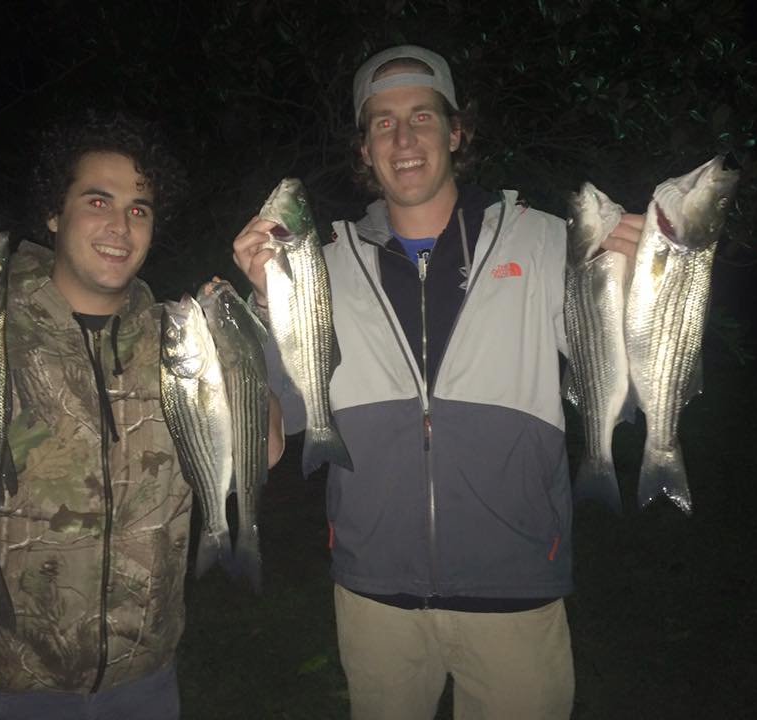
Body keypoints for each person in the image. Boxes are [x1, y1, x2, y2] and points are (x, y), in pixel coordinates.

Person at [233, 46, 642, 720]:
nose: (403, 138)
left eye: (422, 116)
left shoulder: (546, 242)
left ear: (457, 132)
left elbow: (621, 365)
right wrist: (257, 308)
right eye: (383, 123)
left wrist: (645, 281)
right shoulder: (320, 267)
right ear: (364, 149)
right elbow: (273, 435)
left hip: (515, 581)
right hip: (374, 592)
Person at [0, 110, 283, 719]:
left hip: (145, 682)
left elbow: (265, 449)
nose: (120, 226)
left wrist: (261, 319)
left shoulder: (179, 338)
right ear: (54, 213)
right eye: (98, 201)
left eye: (139, 209)